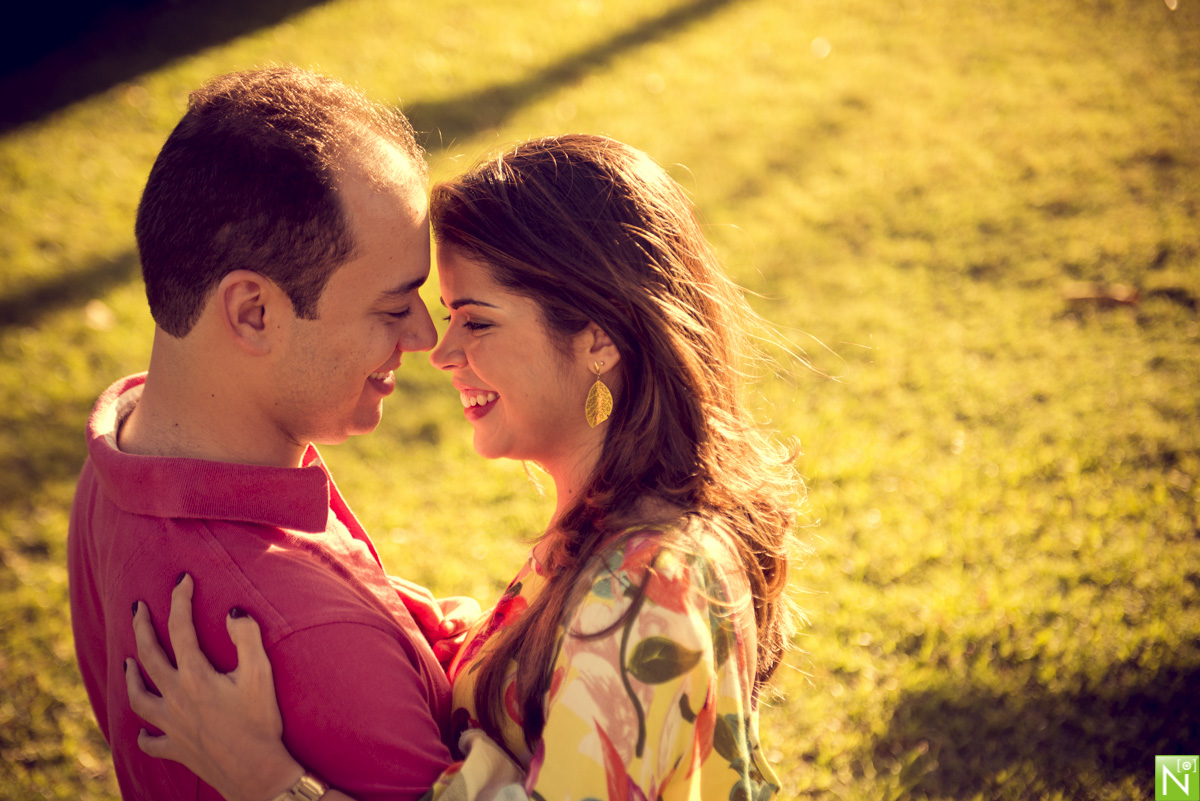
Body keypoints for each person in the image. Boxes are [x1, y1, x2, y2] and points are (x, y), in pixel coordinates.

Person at [125, 134, 803, 800]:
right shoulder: (608, 530)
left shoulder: (651, 588)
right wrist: (418, 626)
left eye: (475, 322)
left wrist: (268, 781)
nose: (440, 351)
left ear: (599, 339)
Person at [68, 66, 481, 801]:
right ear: (254, 311)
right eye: (392, 307)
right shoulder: (306, 636)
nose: (425, 335)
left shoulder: (122, 448)